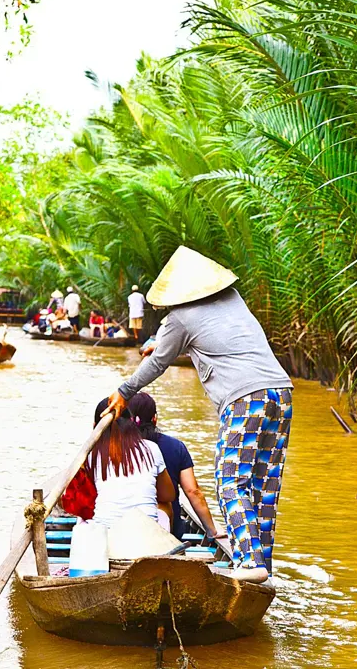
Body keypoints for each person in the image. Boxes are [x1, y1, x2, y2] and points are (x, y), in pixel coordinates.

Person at [103, 247, 293, 584]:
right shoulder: (234, 298)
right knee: (264, 486)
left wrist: (124, 391)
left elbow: (159, 362)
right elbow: (215, 339)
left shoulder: (179, 319)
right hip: (280, 392)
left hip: (244, 398)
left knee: (230, 480)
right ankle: (262, 565)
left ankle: (249, 561)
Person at [128, 393, 219, 541]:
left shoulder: (117, 449)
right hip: (169, 528)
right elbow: (192, 491)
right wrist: (211, 531)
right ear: (155, 418)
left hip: (125, 523)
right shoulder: (176, 447)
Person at [87, 397, 177, 530]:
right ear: (132, 424)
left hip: (106, 529)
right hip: (146, 531)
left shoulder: (91, 455)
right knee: (165, 506)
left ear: (95, 427)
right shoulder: (151, 448)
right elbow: (168, 495)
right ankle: (167, 542)